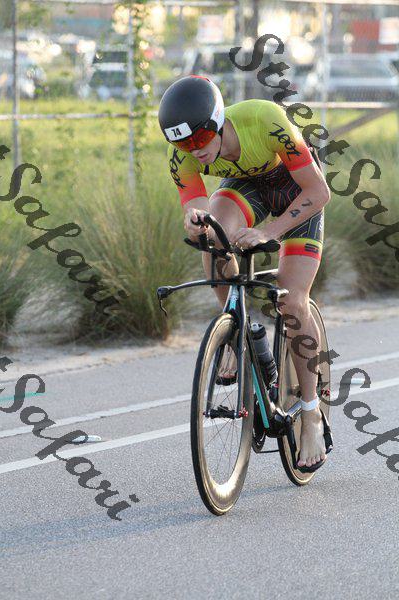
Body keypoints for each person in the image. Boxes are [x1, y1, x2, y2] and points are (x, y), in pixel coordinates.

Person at [158, 75, 331, 472]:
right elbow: (196, 210)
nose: (195, 150)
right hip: (246, 186)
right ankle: (237, 330)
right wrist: (195, 223)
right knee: (213, 238)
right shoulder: (183, 156)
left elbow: (319, 192)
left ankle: (310, 413)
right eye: (184, 144)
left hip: (297, 188)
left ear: (218, 120)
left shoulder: (264, 119)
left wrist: (271, 232)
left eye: (202, 137)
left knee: (292, 301)